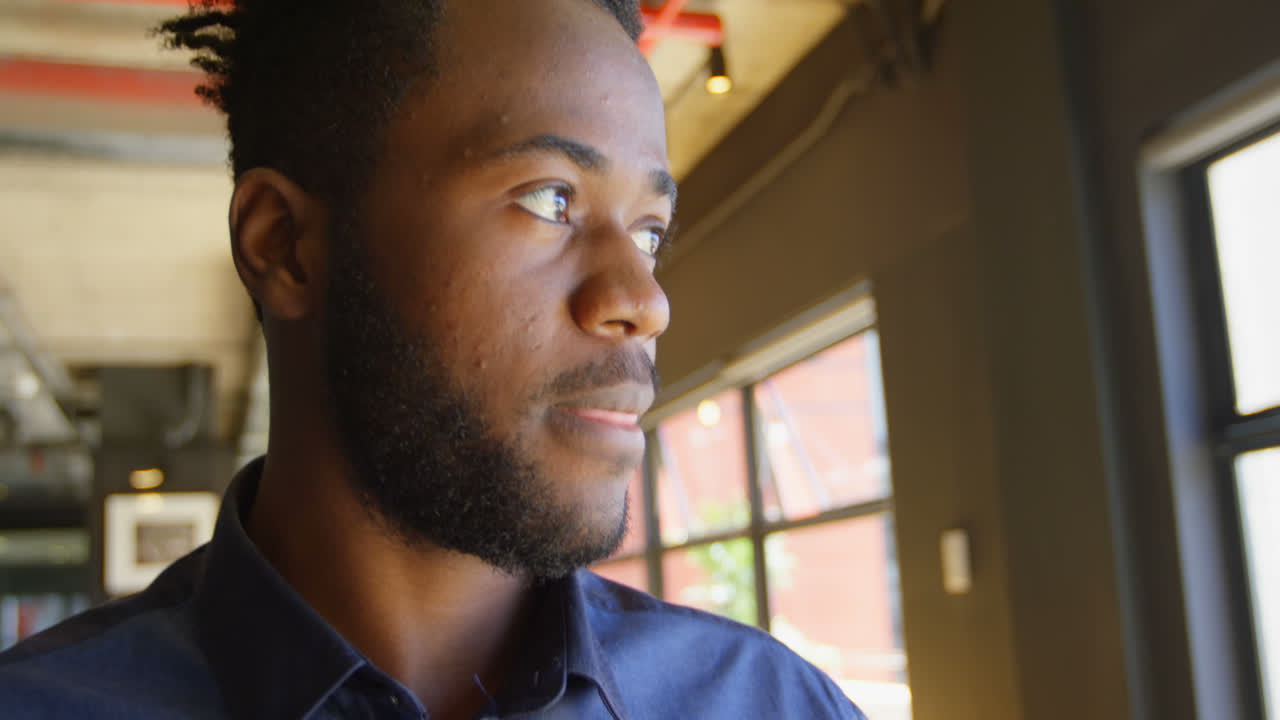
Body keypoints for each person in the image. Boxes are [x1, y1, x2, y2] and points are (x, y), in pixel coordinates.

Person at [0, 1, 866, 718]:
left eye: (650, 231)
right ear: (287, 245)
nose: (644, 301)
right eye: (549, 198)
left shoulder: (773, 702)